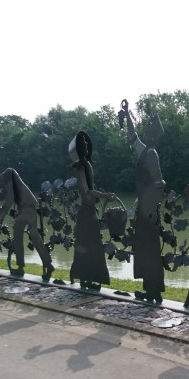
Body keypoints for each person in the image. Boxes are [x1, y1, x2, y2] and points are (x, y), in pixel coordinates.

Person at [120, 99, 166, 303]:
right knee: (145, 249)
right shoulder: (145, 150)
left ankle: (155, 291)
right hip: (143, 209)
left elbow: (159, 183)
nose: (144, 132)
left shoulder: (152, 154)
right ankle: (149, 290)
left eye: (148, 130)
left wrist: (152, 209)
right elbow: (132, 138)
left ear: (154, 135)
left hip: (148, 211)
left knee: (151, 250)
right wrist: (127, 114)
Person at [0, 166, 55, 281]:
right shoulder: (6, 180)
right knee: (32, 236)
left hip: (27, 208)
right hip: (26, 207)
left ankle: (23, 266)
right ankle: (47, 265)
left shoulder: (9, 173)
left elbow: (11, 197)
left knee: (21, 235)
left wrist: (2, 212)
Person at [68, 131, 117, 290]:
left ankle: (89, 278)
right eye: (83, 144)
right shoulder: (80, 167)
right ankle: (84, 278)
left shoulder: (87, 165)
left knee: (93, 246)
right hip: (86, 211)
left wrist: (103, 196)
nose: (86, 146)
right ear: (78, 149)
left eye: (87, 143)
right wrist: (105, 195)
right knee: (87, 246)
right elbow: (87, 191)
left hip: (90, 210)